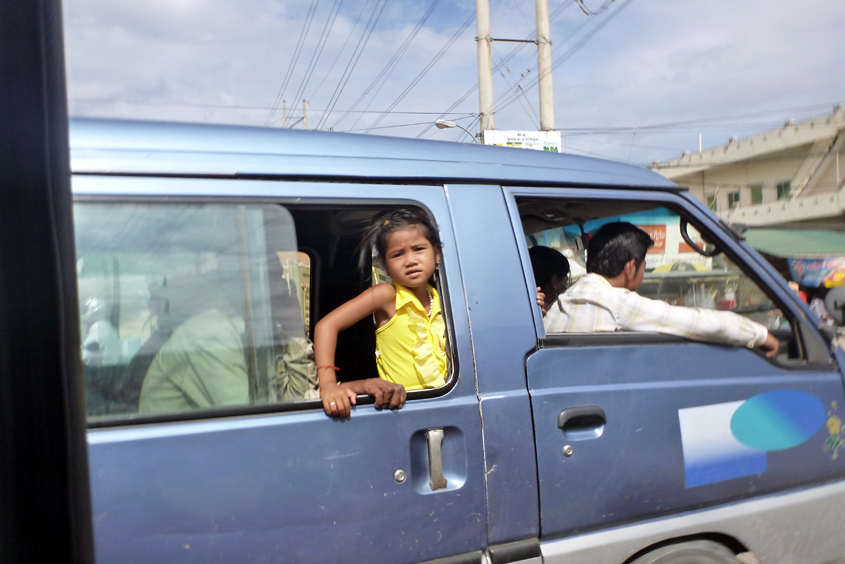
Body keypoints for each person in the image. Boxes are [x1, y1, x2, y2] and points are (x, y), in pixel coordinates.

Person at [544, 222, 780, 357]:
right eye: (644, 265)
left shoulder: (564, 300)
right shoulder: (615, 301)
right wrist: (760, 334)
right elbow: (700, 323)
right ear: (630, 268)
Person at [314, 209, 445, 417]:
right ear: (384, 264)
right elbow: (326, 326)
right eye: (398, 254)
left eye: (419, 249)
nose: (410, 260)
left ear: (436, 253)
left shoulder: (442, 299)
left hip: (442, 405)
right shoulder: (387, 295)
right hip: (399, 411)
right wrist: (328, 384)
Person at [528, 246, 570, 317]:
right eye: (566, 280)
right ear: (555, 282)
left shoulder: (530, 311)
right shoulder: (553, 314)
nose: (567, 287)